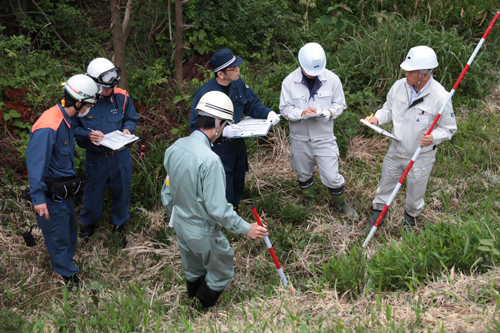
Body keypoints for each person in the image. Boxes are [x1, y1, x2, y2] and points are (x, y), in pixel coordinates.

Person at [163, 91, 268, 309]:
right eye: (225, 124)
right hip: (202, 229)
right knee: (221, 271)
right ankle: (198, 310)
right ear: (218, 122)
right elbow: (218, 209)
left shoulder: (175, 147)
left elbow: (166, 193)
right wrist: (246, 228)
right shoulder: (210, 160)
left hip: (181, 224)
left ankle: (192, 305)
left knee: (193, 268)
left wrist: (180, 214)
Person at [366, 45, 457, 229]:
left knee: (415, 195)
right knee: (384, 188)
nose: (405, 74)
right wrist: (377, 118)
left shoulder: (441, 97)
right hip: (396, 150)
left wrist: (433, 137)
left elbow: (449, 128)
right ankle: (375, 220)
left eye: (410, 72)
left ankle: (410, 224)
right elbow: (388, 109)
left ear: (424, 75)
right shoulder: (399, 86)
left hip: (420, 157)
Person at [26, 74, 99, 287]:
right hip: (50, 194)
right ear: (78, 103)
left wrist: (87, 136)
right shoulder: (49, 126)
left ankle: (66, 260)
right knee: (57, 234)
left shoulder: (66, 118)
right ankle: (67, 275)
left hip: (64, 190)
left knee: (69, 230)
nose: (89, 109)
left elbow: (73, 131)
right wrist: (38, 199)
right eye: (88, 105)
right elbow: (36, 164)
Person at [189, 48, 280, 212]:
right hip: (218, 148)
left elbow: (251, 105)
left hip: (237, 143)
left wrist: (268, 113)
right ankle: (223, 218)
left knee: (238, 179)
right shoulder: (205, 94)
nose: (238, 70)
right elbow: (196, 125)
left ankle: (234, 212)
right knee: (224, 184)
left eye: (238, 66)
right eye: (234, 68)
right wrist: (223, 132)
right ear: (221, 74)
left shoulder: (238, 84)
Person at [279, 42, 357, 216]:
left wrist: (329, 112)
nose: (313, 75)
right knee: (303, 172)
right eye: (309, 71)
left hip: (324, 136)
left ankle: (342, 204)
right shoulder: (289, 82)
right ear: (301, 64)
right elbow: (284, 109)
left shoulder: (332, 79)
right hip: (300, 137)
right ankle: (309, 200)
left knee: (331, 175)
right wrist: (302, 113)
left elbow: (340, 104)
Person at [74, 57, 139, 248]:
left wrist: (128, 129)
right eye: (106, 88)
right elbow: (71, 127)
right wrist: (88, 135)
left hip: (120, 157)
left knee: (122, 192)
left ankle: (119, 225)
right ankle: (89, 225)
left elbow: (131, 118)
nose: (110, 91)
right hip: (95, 159)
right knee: (92, 193)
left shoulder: (122, 96)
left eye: (112, 87)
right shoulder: (81, 99)